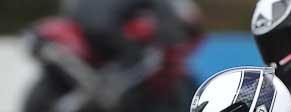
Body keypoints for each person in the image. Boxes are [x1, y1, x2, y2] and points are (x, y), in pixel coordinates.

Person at [62, 0, 197, 105]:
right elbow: (165, 14)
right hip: (105, 29)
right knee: (134, 56)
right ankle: (113, 87)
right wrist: (172, 36)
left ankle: (107, 81)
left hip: (81, 28)